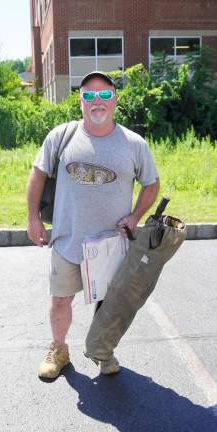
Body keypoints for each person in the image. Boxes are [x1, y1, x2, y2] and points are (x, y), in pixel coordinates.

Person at [27, 71, 160, 379]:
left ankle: (103, 351)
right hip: (67, 238)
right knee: (61, 299)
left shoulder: (134, 144)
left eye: (104, 95)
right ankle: (58, 349)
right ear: (80, 101)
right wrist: (33, 218)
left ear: (115, 100)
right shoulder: (61, 136)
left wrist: (135, 216)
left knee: (108, 304)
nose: (96, 101)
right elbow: (37, 174)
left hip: (111, 244)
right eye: (89, 95)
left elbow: (151, 184)